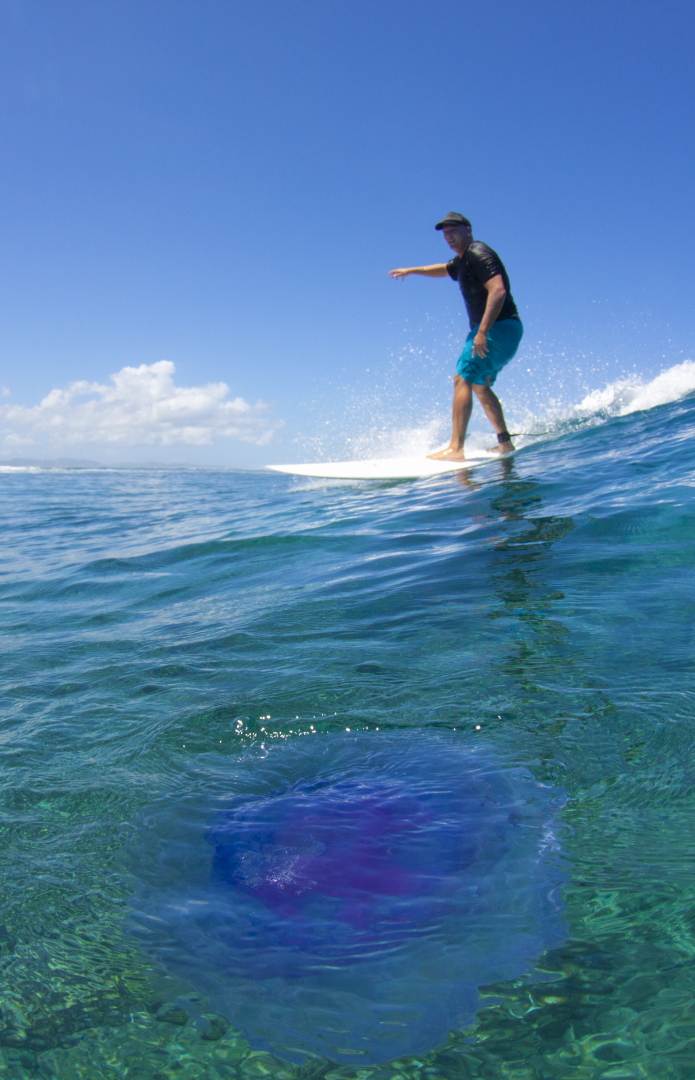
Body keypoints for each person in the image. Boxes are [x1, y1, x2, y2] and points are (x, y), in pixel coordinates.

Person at [389, 211, 522, 460]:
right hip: (504, 328)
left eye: (453, 232)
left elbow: (498, 290)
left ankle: (455, 448)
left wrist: (482, 331)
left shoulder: (478, 253)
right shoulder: (462, 261)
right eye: (445, 234)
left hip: (497, 327)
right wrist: (412, 270)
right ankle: (505, 442)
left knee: (462, 378)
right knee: (479, 385)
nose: (449, 237)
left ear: (468, 230)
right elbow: (443, 269)